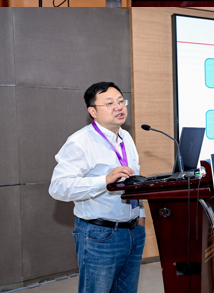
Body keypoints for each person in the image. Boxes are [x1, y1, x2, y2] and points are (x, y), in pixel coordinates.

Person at [50, 82, 145, 293]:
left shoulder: (126, 137)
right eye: (109, 103)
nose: (118, 107)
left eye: (121, 101)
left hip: (133, 231)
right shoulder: (80, 142)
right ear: (92, 111)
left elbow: (133, 180)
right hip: (100, 234)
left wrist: (140, 216)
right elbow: (58, 187)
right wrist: (104, 180)